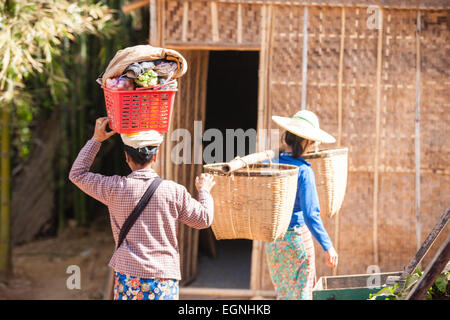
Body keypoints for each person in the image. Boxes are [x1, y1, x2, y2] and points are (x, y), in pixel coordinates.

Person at [69, 117, 215, 300]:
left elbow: (77, 174)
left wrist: (96, 139)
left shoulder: (114, 188)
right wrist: (204, 191)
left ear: (126, 157)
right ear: (155, 157)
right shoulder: (174, 191)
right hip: (163, 280)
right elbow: (204, 220)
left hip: (128, 279)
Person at [266, 110, 339, 300]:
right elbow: (310, 214)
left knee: (284, 296)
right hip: (296, 240)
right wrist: (328, 246)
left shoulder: (271, 164)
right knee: (301, 295)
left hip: (273, 243)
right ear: (305, 143)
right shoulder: (304, 171)